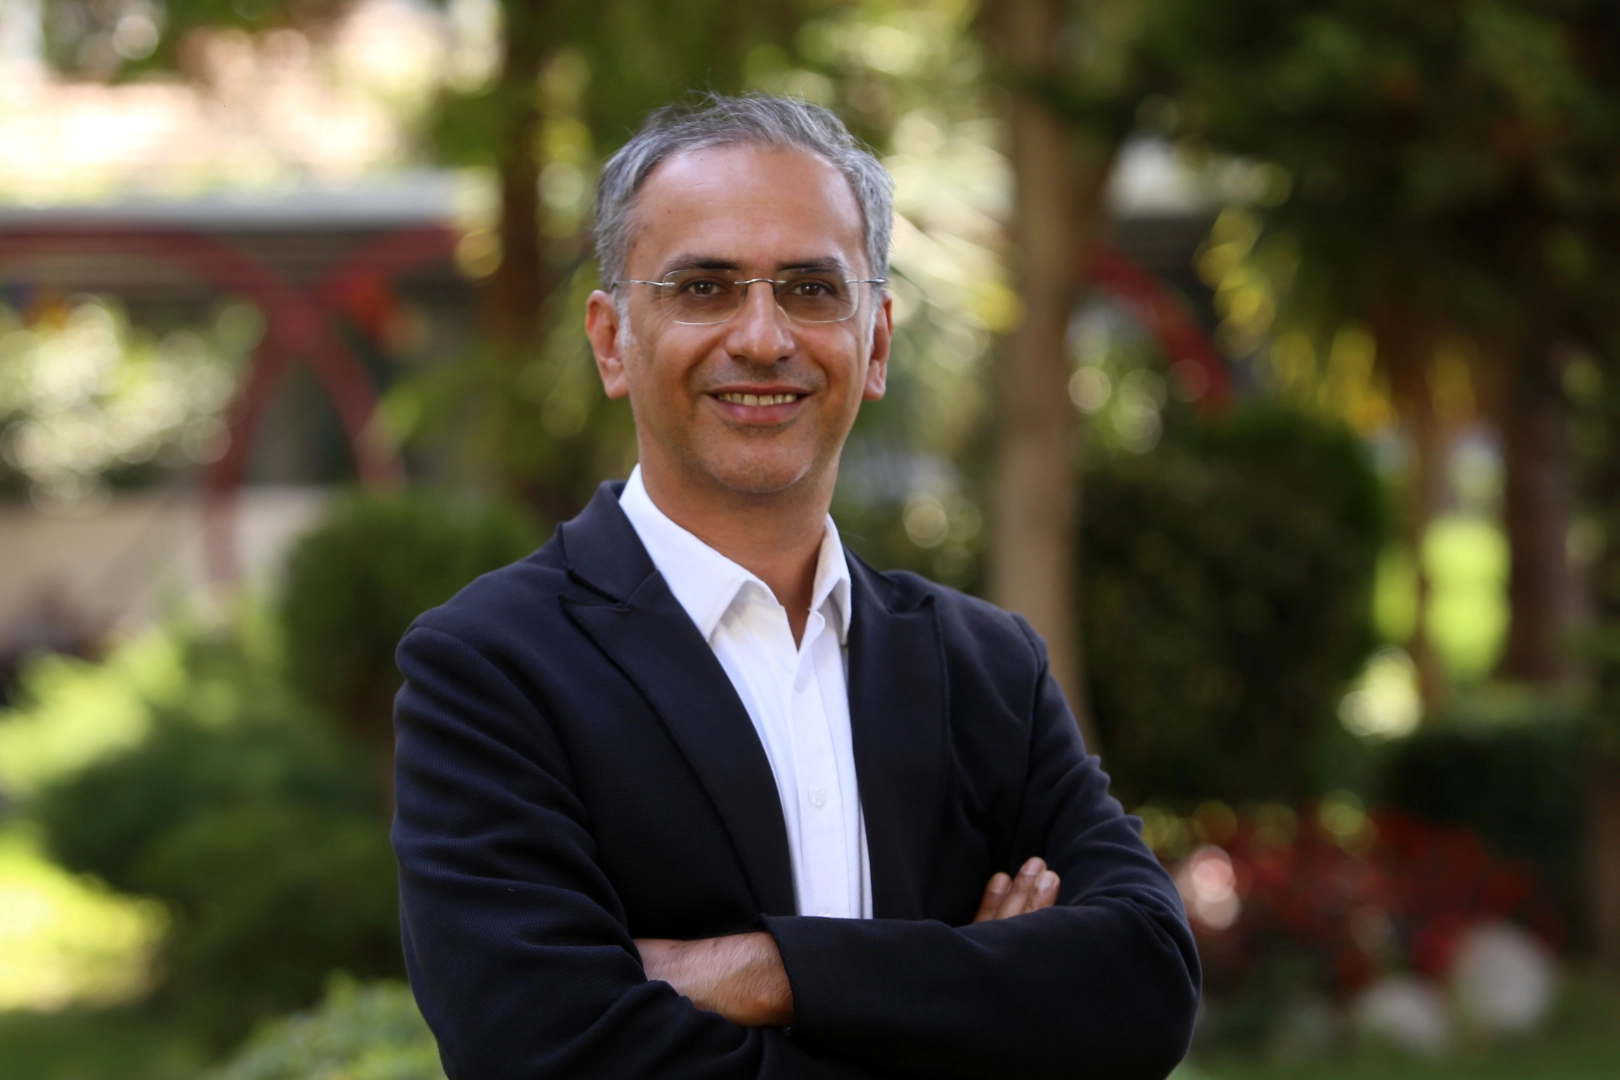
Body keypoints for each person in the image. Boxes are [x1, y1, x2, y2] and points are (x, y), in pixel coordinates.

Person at [392, 94, 1199, 1080]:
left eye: (813, 290)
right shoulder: (490, 670)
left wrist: (771, 972)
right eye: (703, 288)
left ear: (878, 343)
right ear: (611, 340)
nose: (764, 337)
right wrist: (971, 1005)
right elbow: (548, 1055)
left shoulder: (990, 671)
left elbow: (1146, 983)